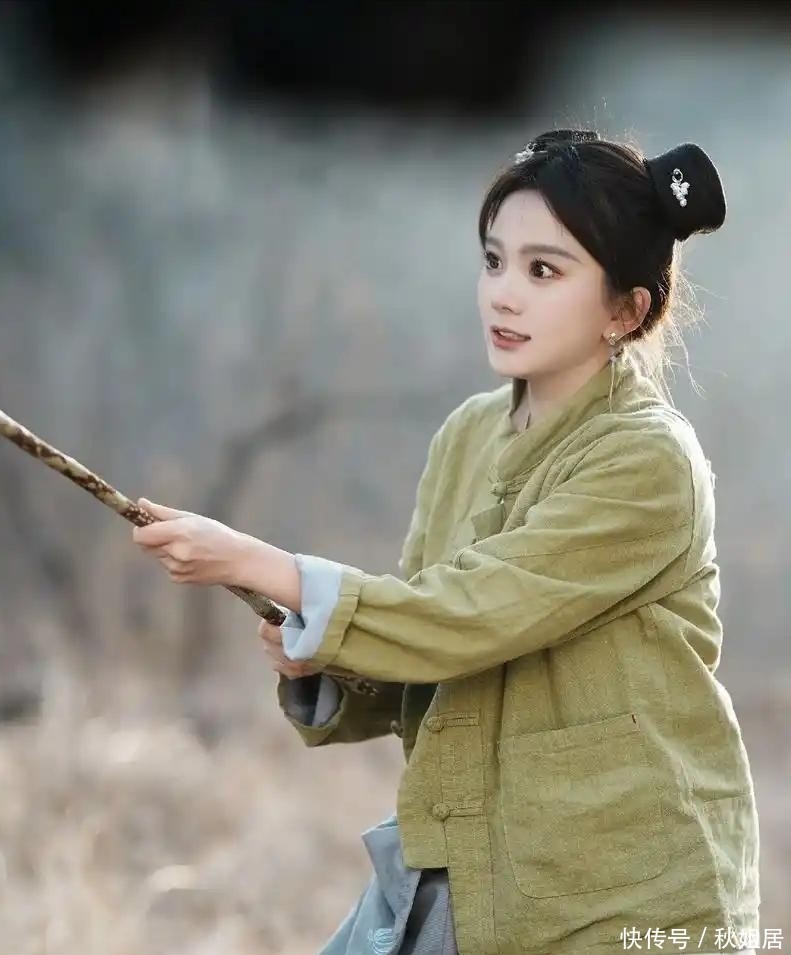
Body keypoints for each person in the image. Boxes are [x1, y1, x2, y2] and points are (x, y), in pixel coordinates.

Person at [133, 129, 761, 955]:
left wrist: (264, 566)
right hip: (471, 864)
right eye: (493, 261)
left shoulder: (648, 460)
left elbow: (471, 611)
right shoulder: (468, 434)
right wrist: (318, 660)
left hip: (626, 893)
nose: (503, 295)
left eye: (543, 271)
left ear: (625, 310)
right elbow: (429, 648)